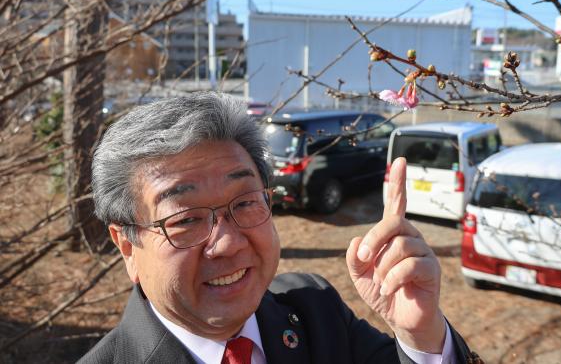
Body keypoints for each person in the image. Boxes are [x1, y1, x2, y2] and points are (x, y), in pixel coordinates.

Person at [79, 92, 482, 364]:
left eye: (245, 202)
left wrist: (423, 336)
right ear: (127, 246)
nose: (229, 242)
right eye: (186, 219)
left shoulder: (314, 311)